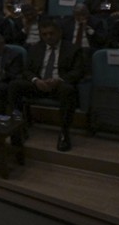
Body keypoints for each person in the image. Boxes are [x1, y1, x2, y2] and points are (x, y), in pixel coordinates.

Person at [9, 18, 85, 152]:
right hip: (39, 84)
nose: (48, 37)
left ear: (59, 33)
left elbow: (78, 71)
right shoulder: (36, 48)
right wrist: (35, 80)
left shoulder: (72, 49)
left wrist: (59, 80)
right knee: (15, 85)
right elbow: (27, 70)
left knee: (68, 90)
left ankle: (64, 133)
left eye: (51, 33)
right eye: (44, 34)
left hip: (59, 86)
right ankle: (19, 126)